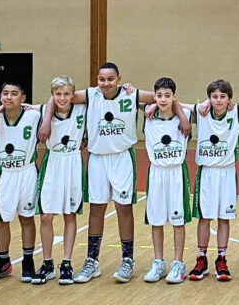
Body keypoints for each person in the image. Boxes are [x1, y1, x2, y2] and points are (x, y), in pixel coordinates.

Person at [37, 62, 190, 284]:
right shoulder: (91, 94)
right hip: (97, 158)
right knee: (96, 209)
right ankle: (92, 260)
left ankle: (127, 260)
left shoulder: (131, 94)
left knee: (123, 208)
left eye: (110, 79)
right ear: (97, 80)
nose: (106, 83)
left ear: (119, 78)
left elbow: (166, 98)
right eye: (102, 79)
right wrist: (46, 121)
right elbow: (57, 96)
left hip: (122, 157)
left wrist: (183, 117)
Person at [182, 80, 239, 282]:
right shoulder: (201, 112)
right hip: (207, 173)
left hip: (227, 172)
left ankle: (221, 258)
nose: (218, 100)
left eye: (223, 96)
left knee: (223, 218)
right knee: (204, 218)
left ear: (229, 98)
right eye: (214, 97)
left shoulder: (236, 111)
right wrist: (203, 103)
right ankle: (201, 258)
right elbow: (175, 104)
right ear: (209, 98)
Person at [0, 83, 40, 283]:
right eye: (5, 93)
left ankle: (28, 262)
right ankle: (3, 261)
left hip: (27, 172)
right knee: (1, 220)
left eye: (14, 94)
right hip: (5, 174)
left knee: (27, 218)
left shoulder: (34, 116)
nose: (8, 97)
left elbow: (53, 104)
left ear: (22, 98)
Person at [32, 76, 86, 285]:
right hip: (53, 162)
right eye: (57, 94)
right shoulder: (43, 111)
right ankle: (47, 263)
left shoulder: (82, 108)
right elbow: (21, 106)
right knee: (46, 216)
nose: (62, 98)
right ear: (52, 95)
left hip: (73, 162)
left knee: (69, 214)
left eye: (66, 94)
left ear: (73, 95)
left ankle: (66, 263)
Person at [141, 77, 191, 284]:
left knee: (178, 221)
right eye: (159, 96)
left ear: (174, 97)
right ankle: (158, 262)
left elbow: (203, 106)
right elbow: (133, 99)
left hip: (176, 172)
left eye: (167, 95)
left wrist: (180, 113)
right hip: (156, 173)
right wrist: (152, 104)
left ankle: (178, 263)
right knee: (156, 220)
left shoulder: (185, 115)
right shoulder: (147, 115)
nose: (163, 99)